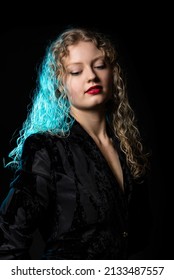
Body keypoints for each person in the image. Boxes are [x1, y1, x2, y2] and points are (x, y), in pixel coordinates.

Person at [0, 26, 150, 260]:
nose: (91, 76)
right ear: (60, 85)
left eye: (100, 66)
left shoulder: (126, 147)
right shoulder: (45, 148)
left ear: (114, 75)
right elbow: (9, 242)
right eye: (76, 71)